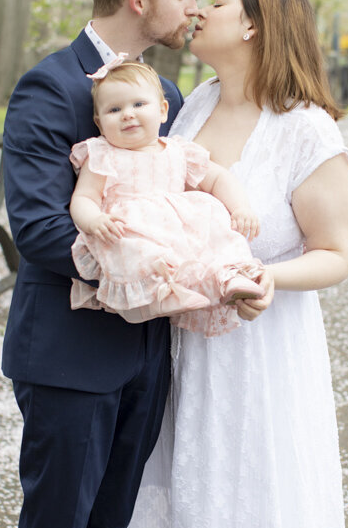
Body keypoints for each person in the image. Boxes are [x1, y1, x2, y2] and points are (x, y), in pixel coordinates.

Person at [113, 0, 348, 528]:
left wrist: (267, 278)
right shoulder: (194, 105)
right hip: (190, 345)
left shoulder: (306, 129)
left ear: (253, 26)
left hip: (263, 350)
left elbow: (335, 254)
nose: (200, 10)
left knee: (258, 507)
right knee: (203, 505)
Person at [1, 0, 202, 528]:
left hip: (144, 350)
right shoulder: (48, 87)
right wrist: (142, 265)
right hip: (69, 351)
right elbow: (41, 226)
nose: (191, 6)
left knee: (105, 526)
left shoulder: (165, 88)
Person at [69, 59, 265, 335]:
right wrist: (94, 220)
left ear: (162, 111)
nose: (127, 114)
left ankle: (227, 278)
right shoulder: (102, 154)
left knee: (215, 226)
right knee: (132, 246)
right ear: (99, 123)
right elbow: (84, 198)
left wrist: (240, 207)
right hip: (131, 230)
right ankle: (162, 290)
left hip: (176, 231)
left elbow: (218, 177)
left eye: (138, 105)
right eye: (114, 109)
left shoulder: (180, 151)